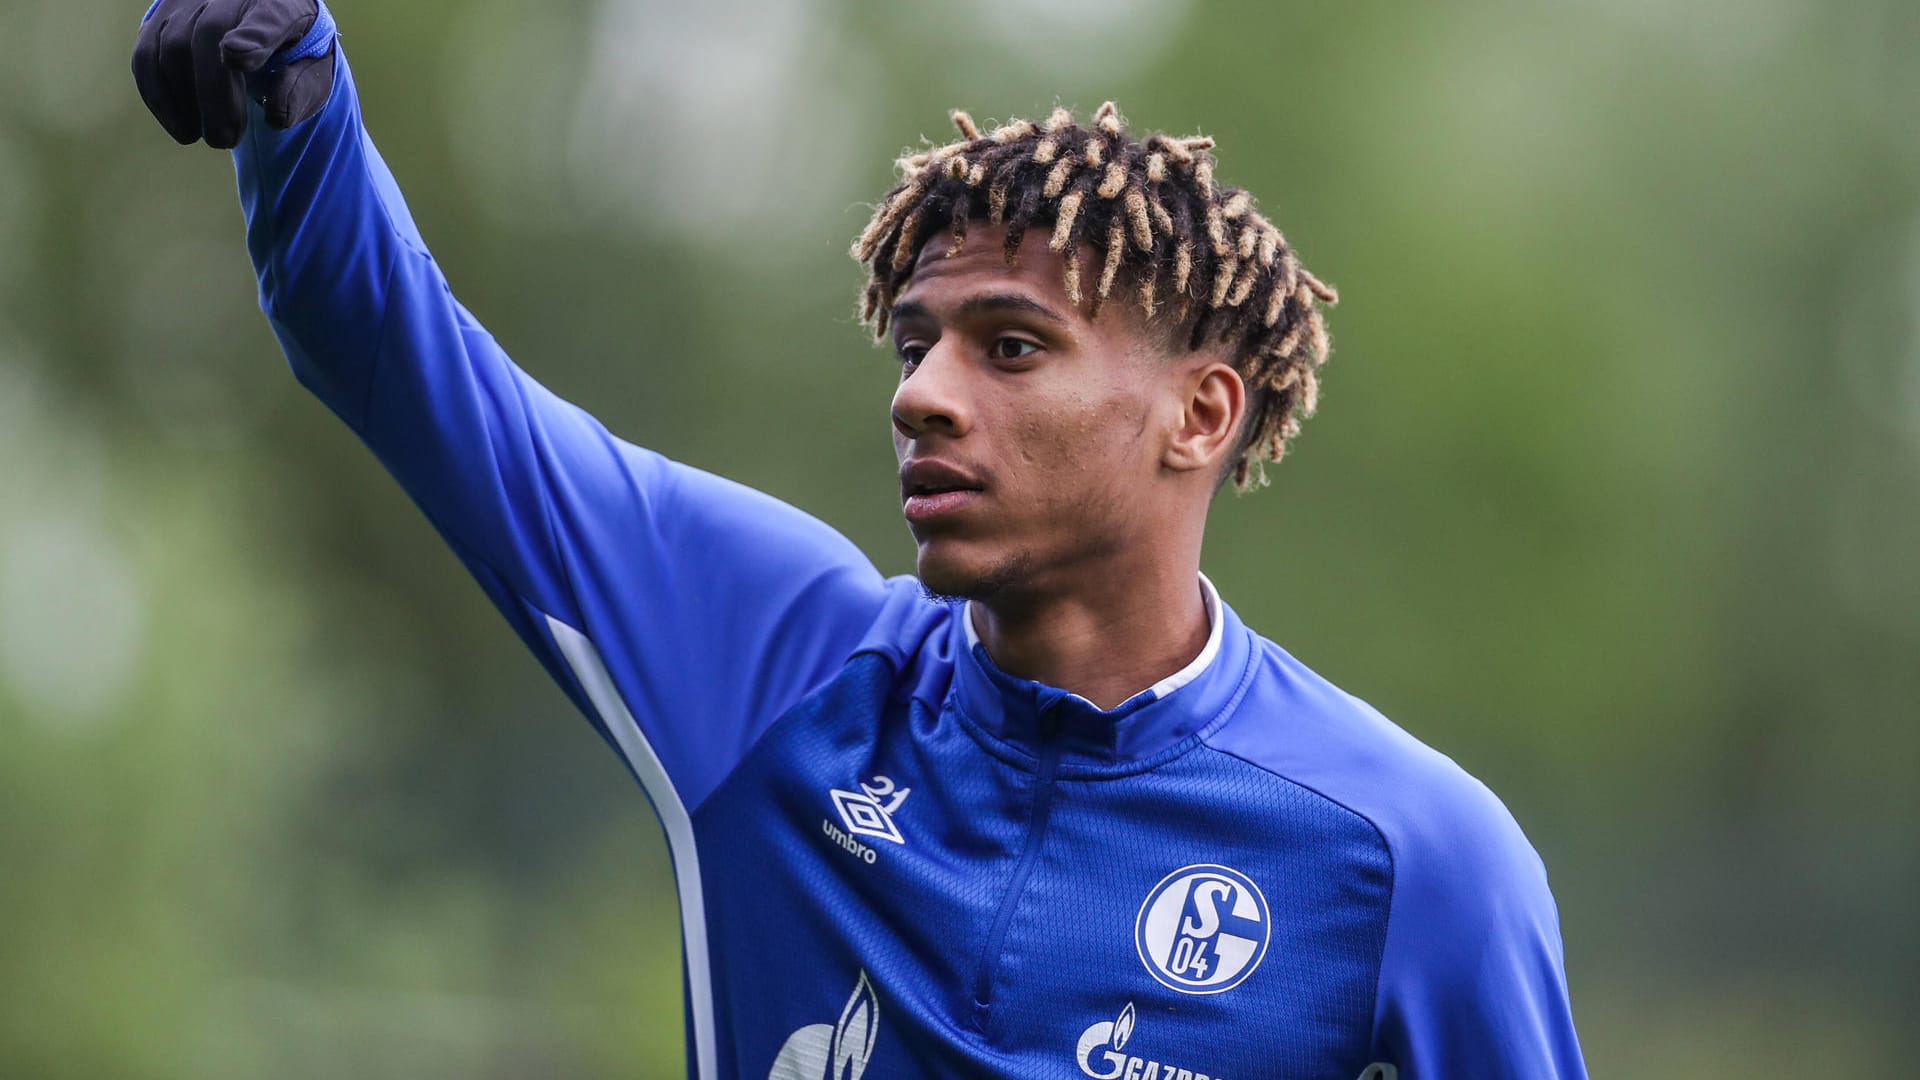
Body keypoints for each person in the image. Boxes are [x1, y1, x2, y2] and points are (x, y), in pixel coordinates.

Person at [131, 2, 1588, 1077]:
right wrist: (301, 92)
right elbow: (394, 355)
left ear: (1198, 415)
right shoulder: (775, 667)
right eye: (914, 344)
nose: (923, 395)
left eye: (1010, 347)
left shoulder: (1413, 859)